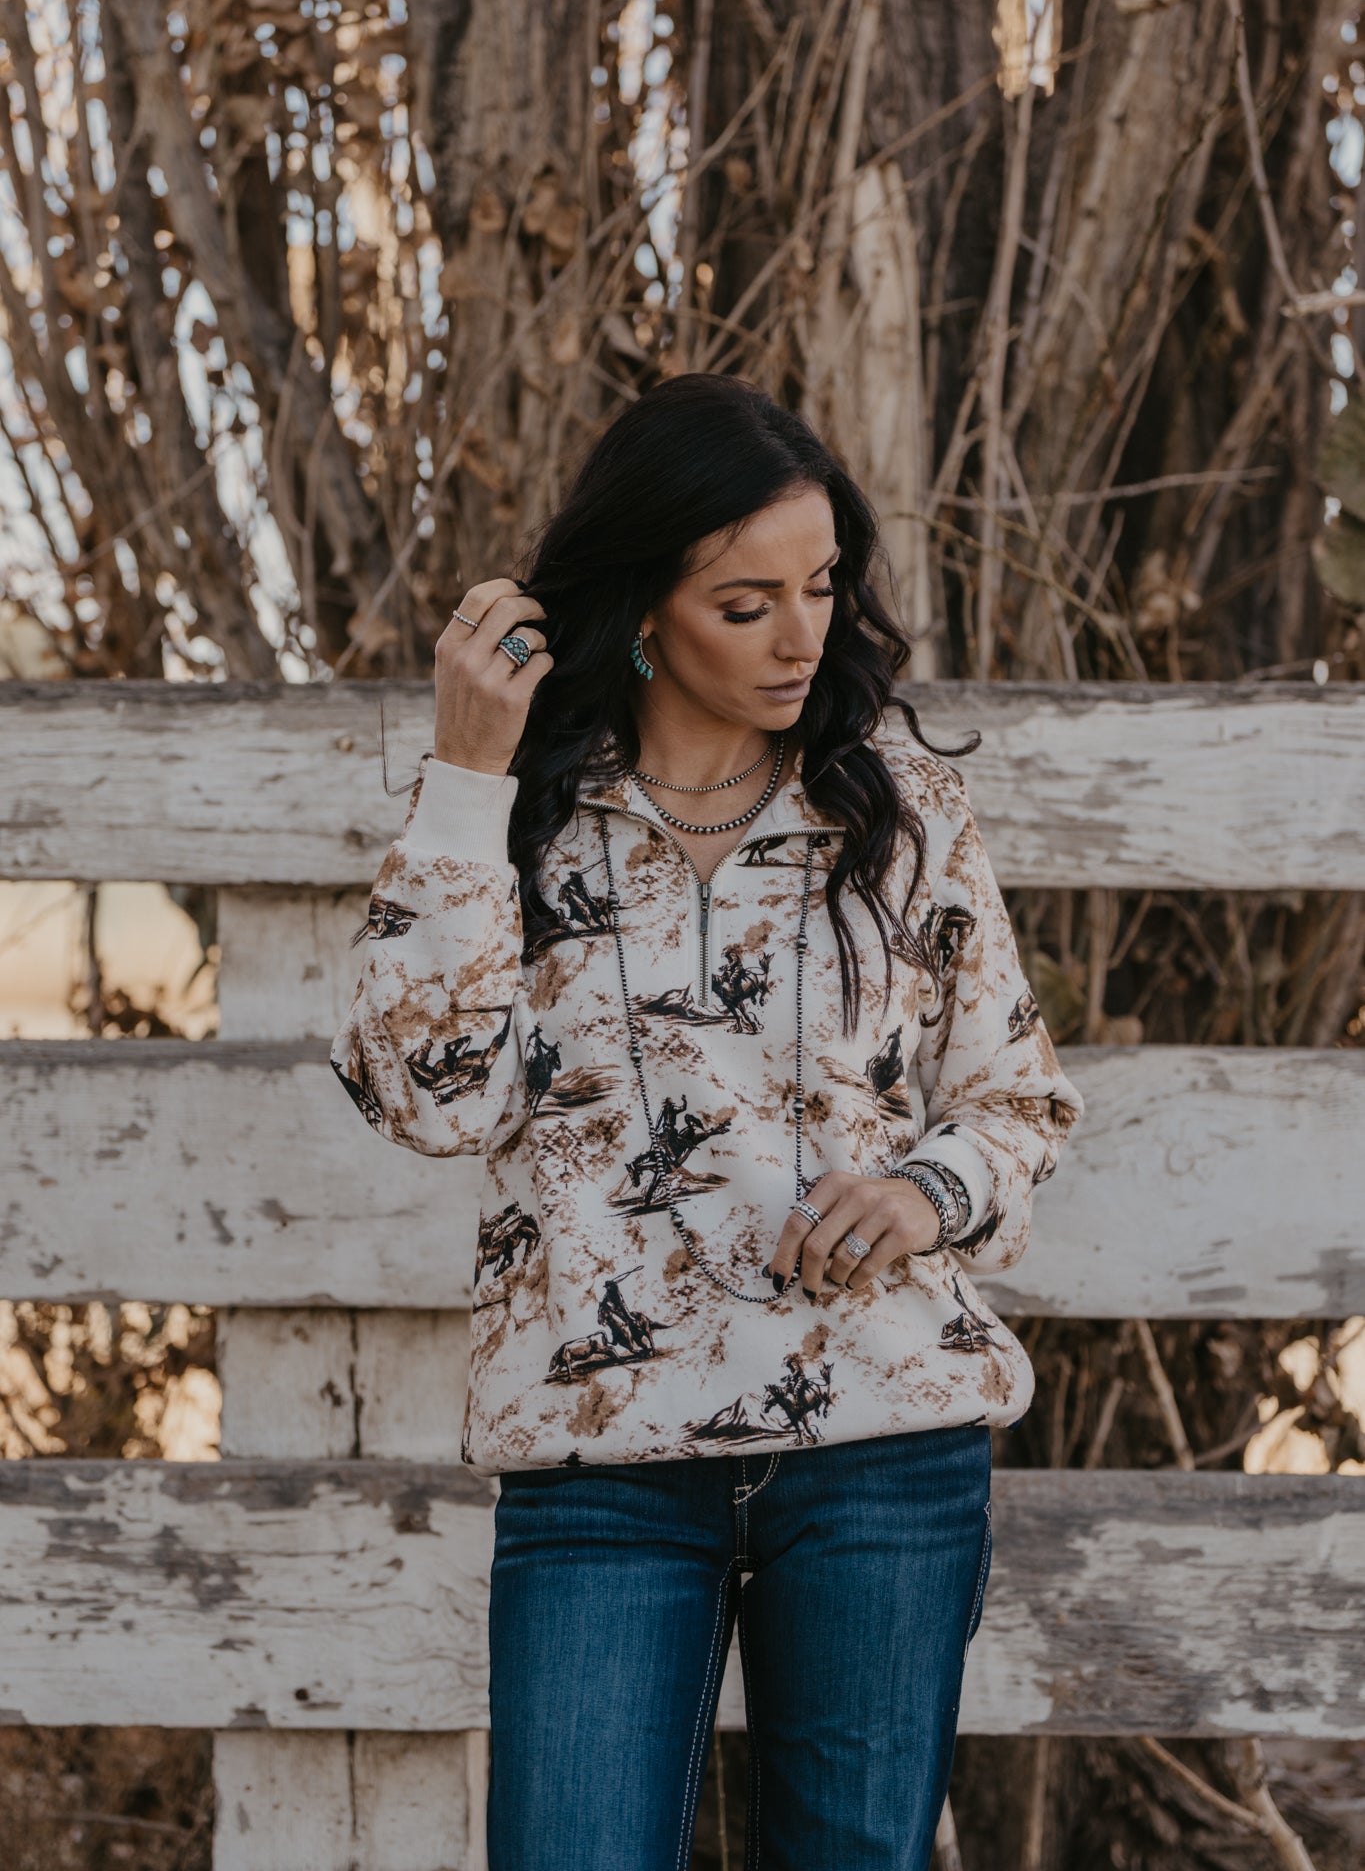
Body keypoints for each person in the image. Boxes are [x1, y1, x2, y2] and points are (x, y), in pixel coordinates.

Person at [330, 372, 1086, 1871]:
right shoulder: (514, 818)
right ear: (642, 612)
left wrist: (926, 1193)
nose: (802, 636)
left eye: (821, 587)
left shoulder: (899, 807)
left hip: (881, 1447)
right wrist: (467, 771)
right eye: (747, 604)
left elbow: (1016, 1097)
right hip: (601, 1463)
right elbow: (427, 1099)